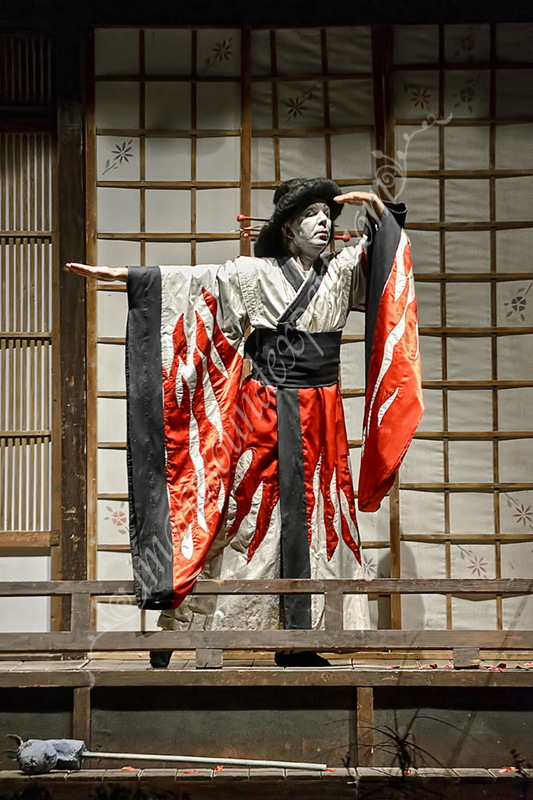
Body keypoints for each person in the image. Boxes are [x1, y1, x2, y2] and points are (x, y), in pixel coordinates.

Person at [67, 178, 422, 669]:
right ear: (287, 229)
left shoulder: (342, 271)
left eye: (327, 214)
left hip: (322, 417)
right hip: (263, 412)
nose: (323, 222)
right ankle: (179, 630)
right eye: (311, 215)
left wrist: (378, 208)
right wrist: (127, 277)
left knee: (318, 520)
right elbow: (192, 284)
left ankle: (299, 642)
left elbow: (386, 264)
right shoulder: (252, 274)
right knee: (240, 516)